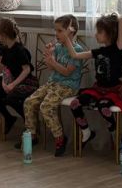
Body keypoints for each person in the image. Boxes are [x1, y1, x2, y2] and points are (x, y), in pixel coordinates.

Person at [68, 13, 122, 147]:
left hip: (114, 89)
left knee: (103, 107)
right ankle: (87, 132)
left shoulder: (118, 48)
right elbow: (75, 55)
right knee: (75, 103)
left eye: (99, 32)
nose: (96, 35)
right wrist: (67, 38)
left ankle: (115, 135)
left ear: (110, 33)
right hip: (98, 89)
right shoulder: (97, 52)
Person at [22, 14, 84, 157]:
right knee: (29, 102)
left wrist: (53, 62)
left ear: (71, 31)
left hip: (67, 86)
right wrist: (49, 56)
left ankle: (60, 138)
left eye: (60, 31)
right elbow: (51, 68)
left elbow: (67, 72)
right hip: (53, 83)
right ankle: (32, 135)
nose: (56, 34)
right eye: (55, 30)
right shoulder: (58, 47)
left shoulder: (77, 50)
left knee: (46, 106)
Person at [0, 17, 37, 137]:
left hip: (26, 82)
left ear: (3, 34)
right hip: (11, 80)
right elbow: (5, 68)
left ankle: (29, 123)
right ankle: (9, 118)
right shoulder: (6, 49)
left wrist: (13, 85)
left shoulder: (20, 50)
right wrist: (4, 83)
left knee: (11, 98)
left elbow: (26, 70)